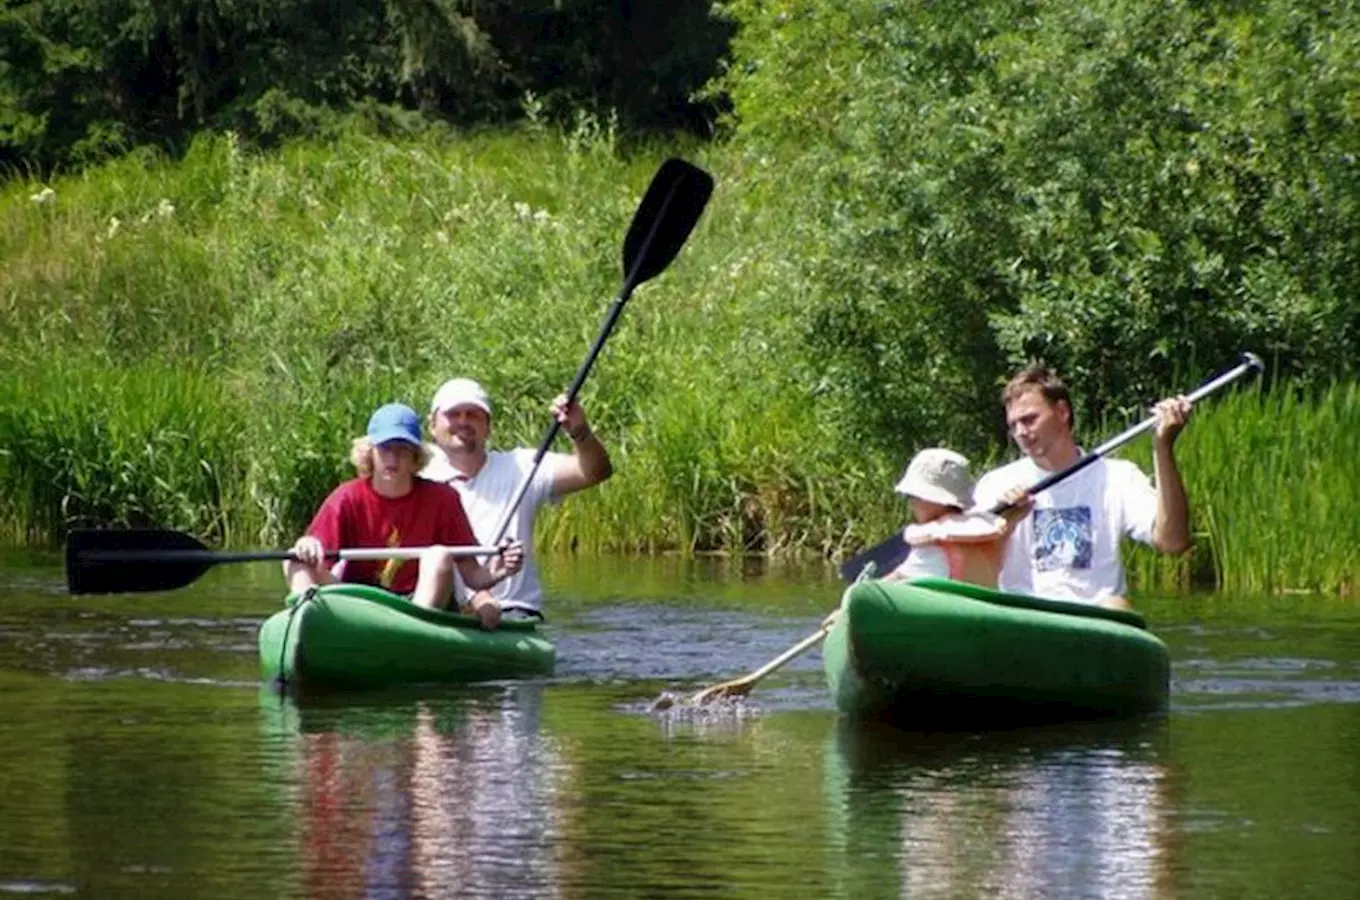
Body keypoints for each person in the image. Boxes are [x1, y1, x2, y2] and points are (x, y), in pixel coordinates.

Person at [284, 402, 524, 628]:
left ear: (415, 457)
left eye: (403, 450)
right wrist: (308, 545)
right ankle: (304, 623)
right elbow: (315, 551)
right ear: (371, 453)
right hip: (359, 600)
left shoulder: (442, 499)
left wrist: (499, 571)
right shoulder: (347, 497)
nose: (394, 458)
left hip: (417, 602)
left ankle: (410, 631)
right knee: (294, 559)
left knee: (438, 556)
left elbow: (473, 576)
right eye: (386, 448)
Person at [973, 364, 1193, 609]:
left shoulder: (1118, 476)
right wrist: (1007, 524)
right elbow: (974, 574)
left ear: (1062, 412)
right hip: (1024, 612)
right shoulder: (996, 483)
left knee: (1116, 605)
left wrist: (1163, 447)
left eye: (1029, 420)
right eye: (1013, 425)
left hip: (1094, 614)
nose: (1021, 432)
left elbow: (1173, 542)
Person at [419, 377, 613, 613]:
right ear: (432, 425)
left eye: (473, 414)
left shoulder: (522, 467)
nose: (463, 421)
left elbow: (594, 472)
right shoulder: (416, 477)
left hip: (511, 611)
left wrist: (580, 432)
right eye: (453, 414)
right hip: (442, 609)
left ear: (488, 426)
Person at [885, 447, 1030, 587]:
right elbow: (1015, 515)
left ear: (931, 499)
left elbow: (889, 586)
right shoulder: (991, 537)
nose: (912, 503)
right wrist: (1015, 508)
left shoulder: (932, 548)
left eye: (913, 496)